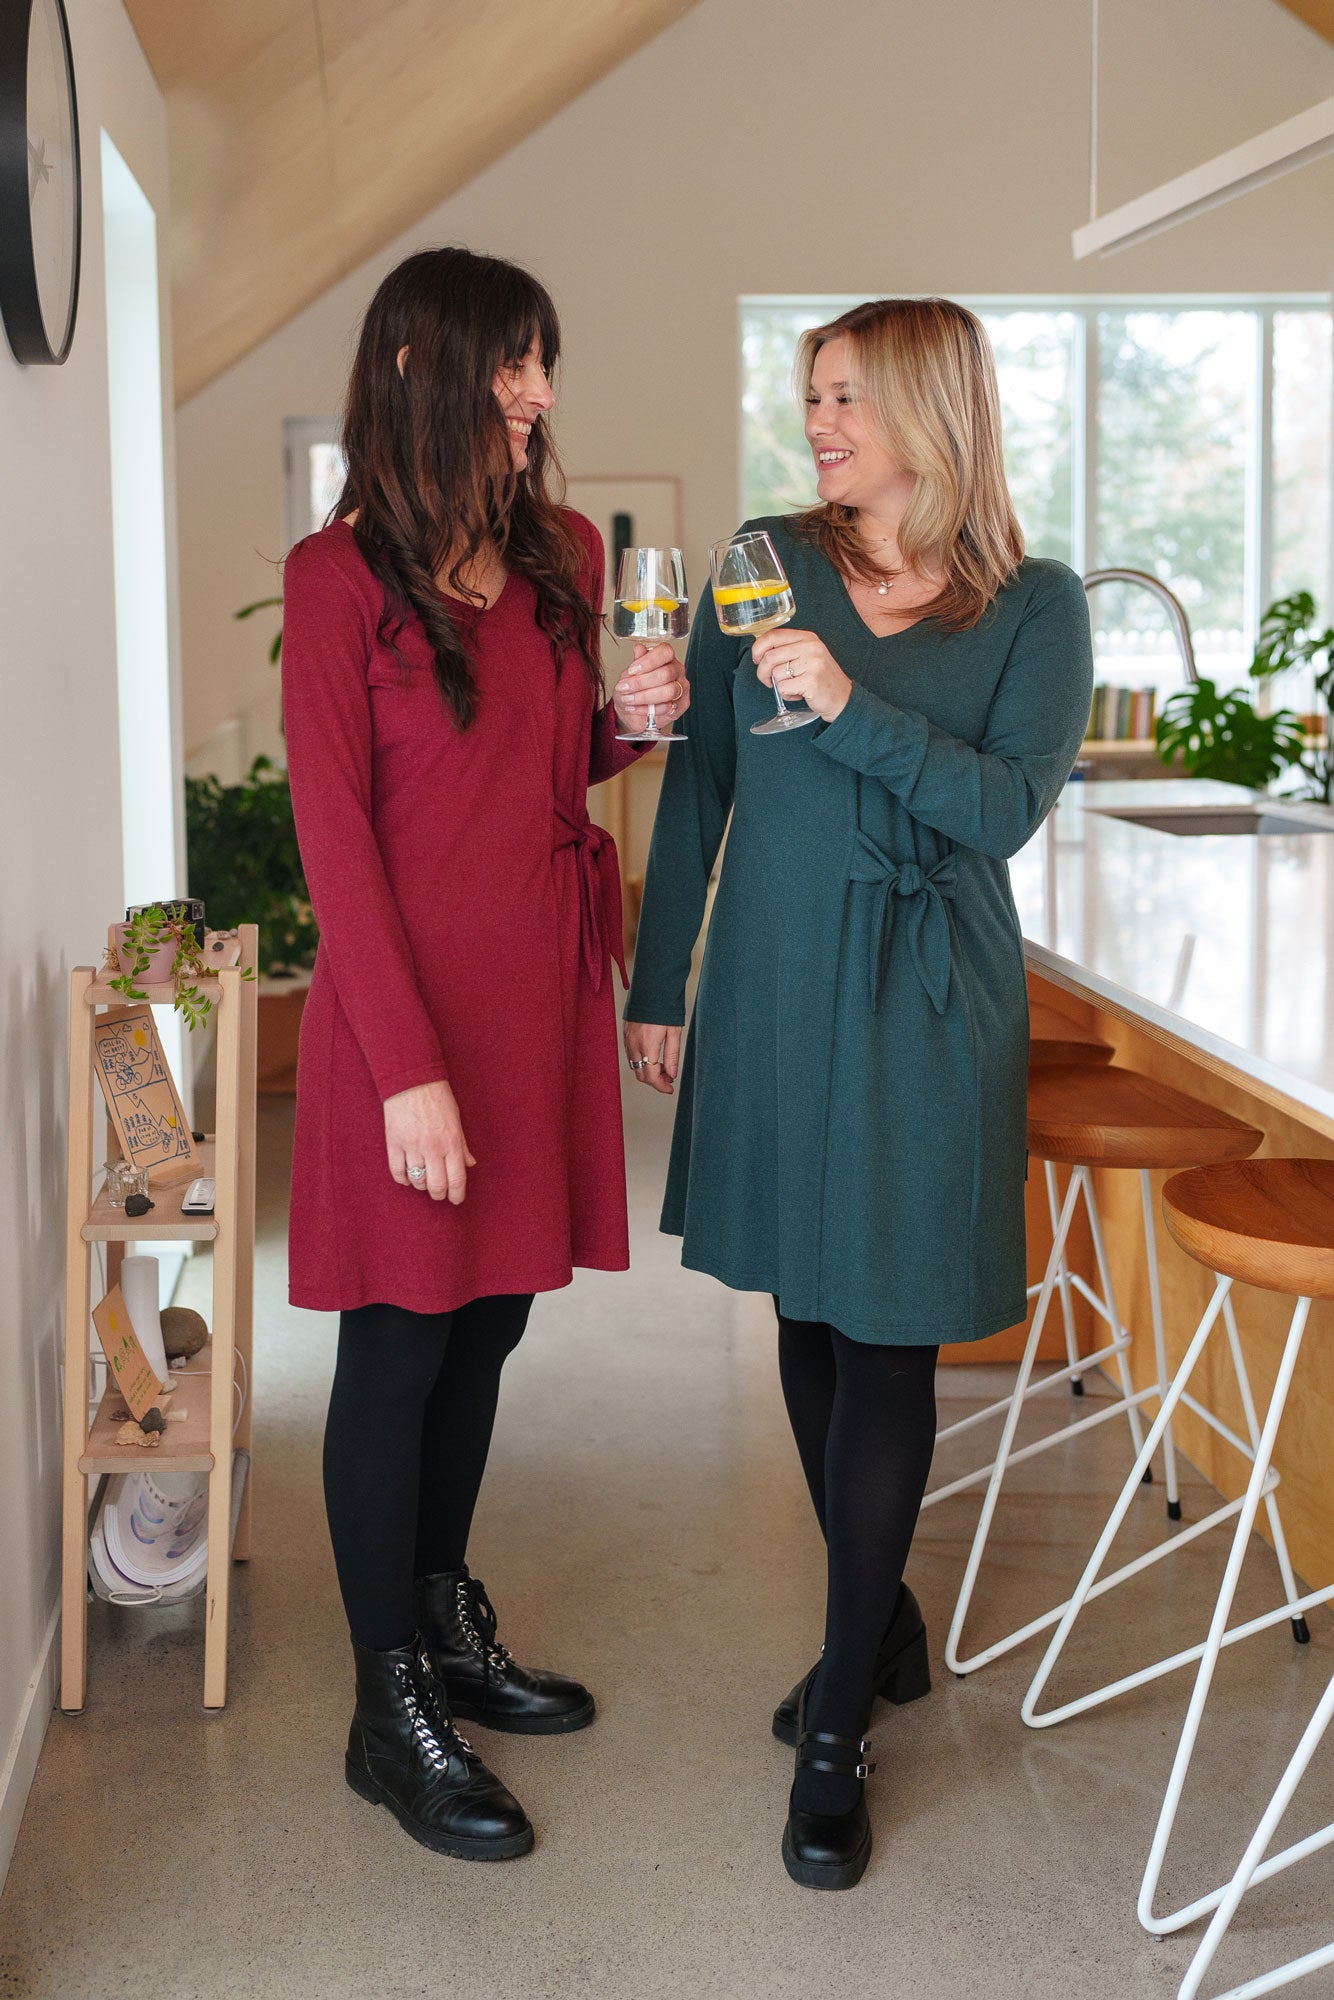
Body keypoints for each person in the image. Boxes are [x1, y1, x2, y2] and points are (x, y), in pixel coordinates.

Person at [624, 297, 1093, 1890]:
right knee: (811, 1325)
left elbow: (1005, 810)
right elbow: (701, 774)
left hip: (925, 990)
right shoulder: (763, 553)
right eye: (808, 393)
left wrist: (848, 701)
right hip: (768, 980)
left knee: (886, 1330)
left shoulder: (1035, 605)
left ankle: (836, 1729)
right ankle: (875, 1616)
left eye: (842, 396)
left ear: (926, 407)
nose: (815, 421)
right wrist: (655, 976)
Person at [281, 246, 690, 1862]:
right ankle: (388, 1710)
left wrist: (635, 719)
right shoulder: (335, 583)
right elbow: (338, 839)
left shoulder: (565, 555)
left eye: (543, 366)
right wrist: (406, 1074)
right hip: (410, 1031)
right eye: (512, 364)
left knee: (487, 1331)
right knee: (395, 1351)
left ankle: (444, 1625)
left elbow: (556, 760)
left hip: (536, 1014)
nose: (536, 396)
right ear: (418, 372)